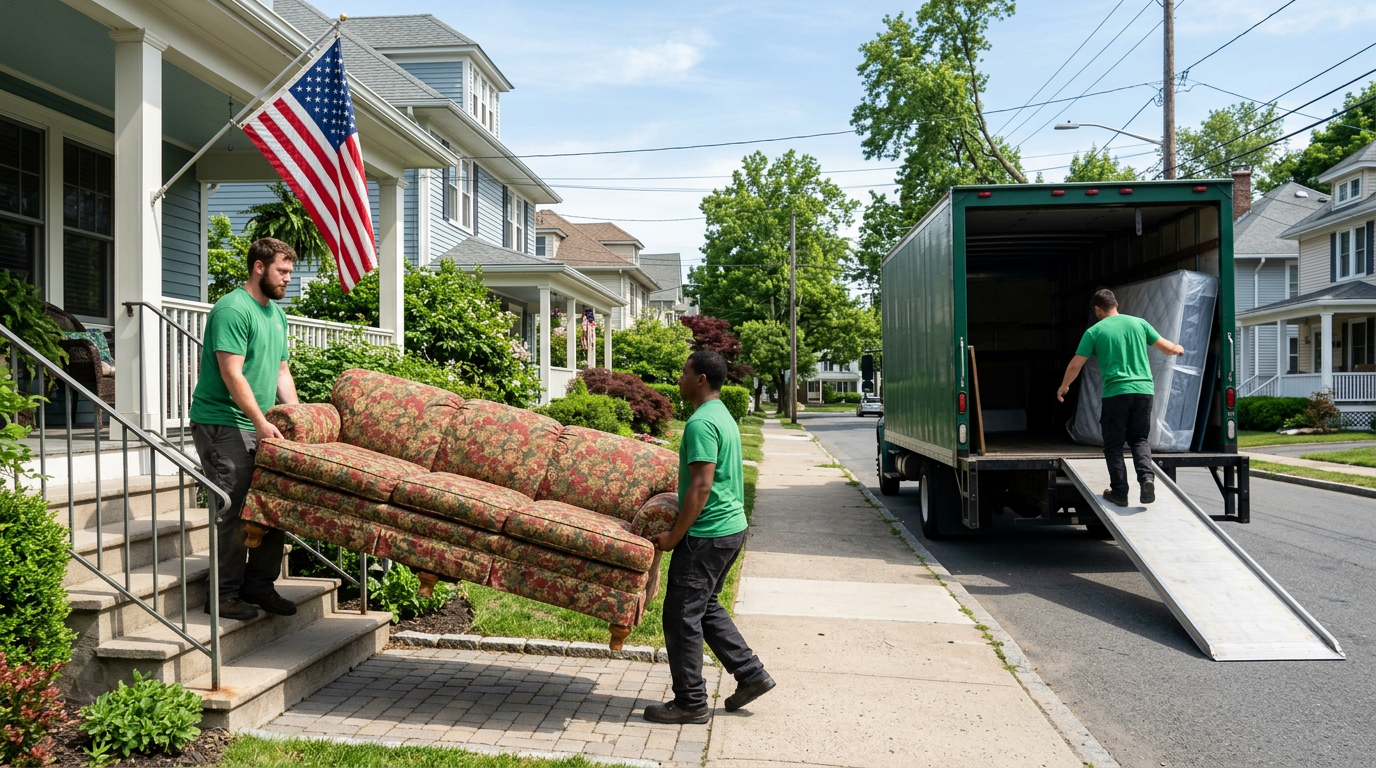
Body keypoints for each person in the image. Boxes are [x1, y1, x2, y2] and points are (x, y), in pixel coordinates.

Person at [644, 350, 775, 724]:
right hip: (730, 528)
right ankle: (751, 675)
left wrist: (673, 535)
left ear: (700, 379)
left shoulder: (701, 423)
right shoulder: (722, 415)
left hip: (707, 533)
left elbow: (700, 488)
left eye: (684, 372)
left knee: (681, 615)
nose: (679, 377)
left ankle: (691, 703)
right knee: (705, 607)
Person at [189, 238, 300, 621]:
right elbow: (231, 373)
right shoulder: (233, 309)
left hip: (259, 422)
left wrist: (298, 419)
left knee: (273, 505)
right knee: (233, 509)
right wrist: (260, 421)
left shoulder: (276, 314)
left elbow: (282, 372)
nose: (288, 279)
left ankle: (258, 585)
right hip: (222, 423)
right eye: (282, 271)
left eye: (289, 271)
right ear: (258, 267)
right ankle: (223, 595)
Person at [1057, 288, 1185, 507]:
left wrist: (1064, 386)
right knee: (1139, 439)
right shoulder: (1139, 323)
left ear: (1098, 309)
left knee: (1114, 446)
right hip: (1144, 392)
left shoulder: (1094, 332)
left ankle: (1120, 492)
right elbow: (1166, 347)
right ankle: (1146, 479)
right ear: (1116, 305)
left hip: (1116, 394)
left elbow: (1076, 363)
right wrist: (1178, 348)